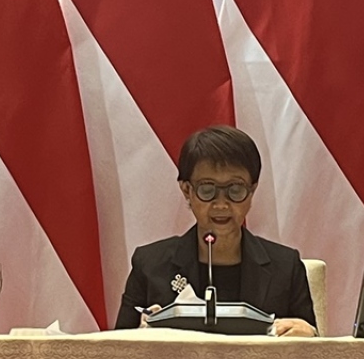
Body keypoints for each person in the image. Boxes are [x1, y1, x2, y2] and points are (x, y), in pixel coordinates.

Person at [115, 125, 317, 336]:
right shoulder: (150, 265)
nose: (221, 204)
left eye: (235, 190)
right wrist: (140, 335)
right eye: (207, 190)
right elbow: (116, 348)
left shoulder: (285, 267)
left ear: (252, 190)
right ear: (187, 190)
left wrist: (310, 334)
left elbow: (315, 349)